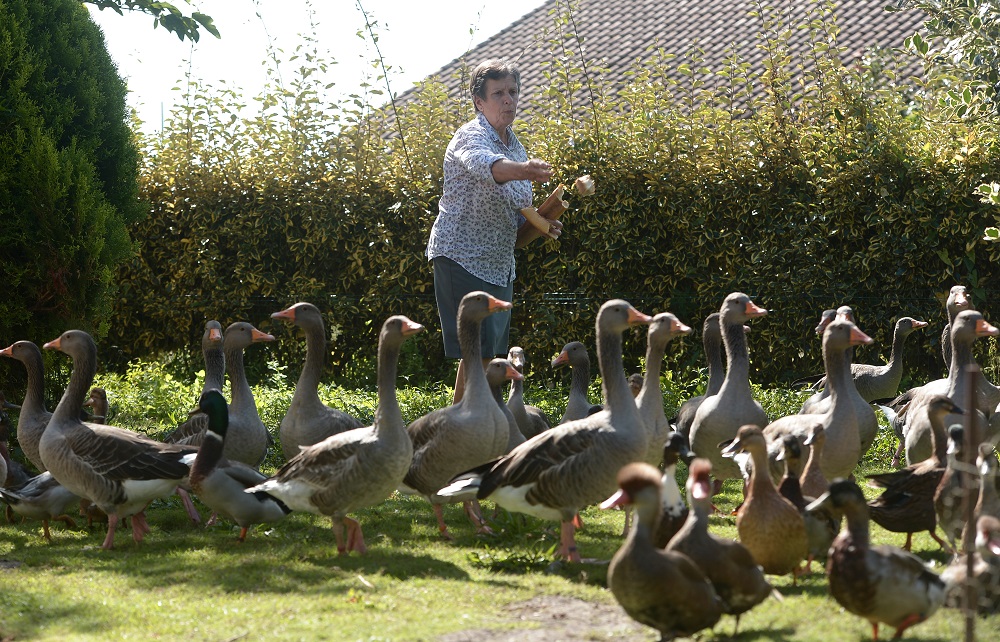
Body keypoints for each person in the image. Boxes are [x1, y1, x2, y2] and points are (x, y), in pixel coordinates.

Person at [426, 57, 562, 403]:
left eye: (513, 92)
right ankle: (461, 432)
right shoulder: (470, 136)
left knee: (488, 354)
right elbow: (490, 168)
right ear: (479, 102)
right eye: (499, 93)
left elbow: (516, 215)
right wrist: (525, 170)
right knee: (477, 353)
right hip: (460, 255)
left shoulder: (515, 145)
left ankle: (468, 428)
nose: (508, 100)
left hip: (499, 263)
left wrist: (543, 222)